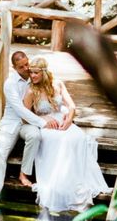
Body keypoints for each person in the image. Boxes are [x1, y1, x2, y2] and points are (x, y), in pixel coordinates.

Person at [23, 57, 111, 212]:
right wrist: (42, 119)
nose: (32, 76)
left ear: (44, 72)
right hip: (45, 125)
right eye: (30, 73)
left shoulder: (58, 84)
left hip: (62, 120)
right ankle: (59, 183)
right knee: (59, 139)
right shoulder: (31, 90)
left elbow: (71, 106)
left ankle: (75, 181)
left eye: (36, 73)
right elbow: (24, 115)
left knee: (77, 136)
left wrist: (69, 119)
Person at [0, 51, 59, 211]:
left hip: (27, 123)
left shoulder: (34, 75)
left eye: (26, 64)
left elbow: (48, 88)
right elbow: (19, 109)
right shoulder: (10, 83)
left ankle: (24, 173)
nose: (26, 68)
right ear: (14, 67)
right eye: (21, 67)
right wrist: (43, 122)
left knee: (35, 136)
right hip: (12, 122)